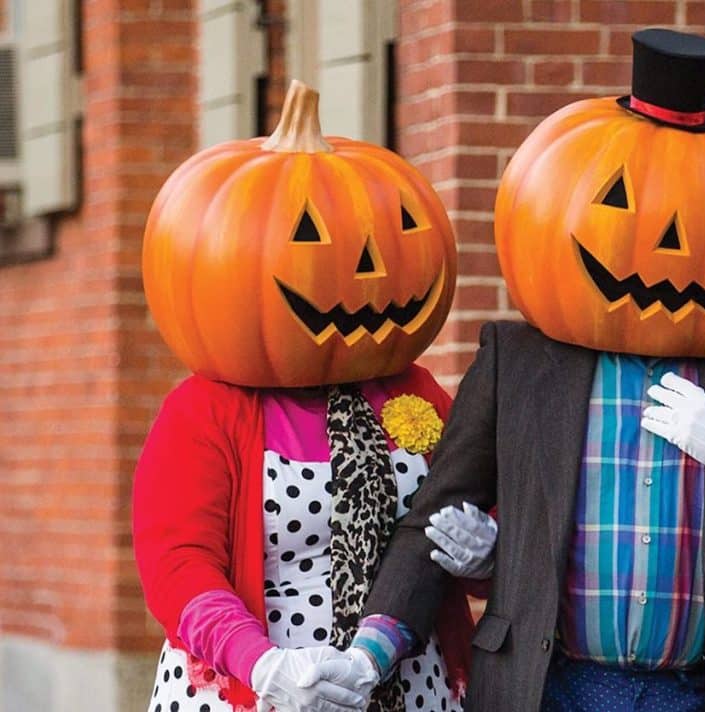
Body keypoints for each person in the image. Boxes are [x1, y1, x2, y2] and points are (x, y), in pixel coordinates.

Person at [314, 31, 705, 712]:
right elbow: (434, 520)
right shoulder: (519, 365)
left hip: (701, 695)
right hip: (548, 690)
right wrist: (371, 652)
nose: (673, 246)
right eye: (620, 202)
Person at [133, 80, 495, 712]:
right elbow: (178, 562)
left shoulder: (417, 393)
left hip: (406, 684)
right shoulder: (205, 410)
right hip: (256, 682)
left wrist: (487, 553)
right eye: (307, 236)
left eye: (400, 229)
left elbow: (457, 536)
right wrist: (263, 664)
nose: (369, 273)